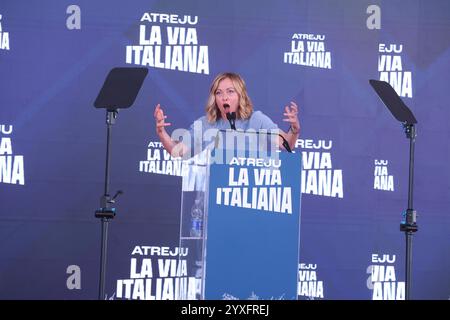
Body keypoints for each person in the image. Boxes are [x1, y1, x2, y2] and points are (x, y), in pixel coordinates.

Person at [153, 72, 300, 158]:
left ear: (240, 95)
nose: (225, 97)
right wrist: (161, 132)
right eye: (219, 93)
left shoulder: (257, 120)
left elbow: (287, 145)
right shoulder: (205, 124)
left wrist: (294, 129)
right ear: (214, 98)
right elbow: (177, 151)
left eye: (230, 91)